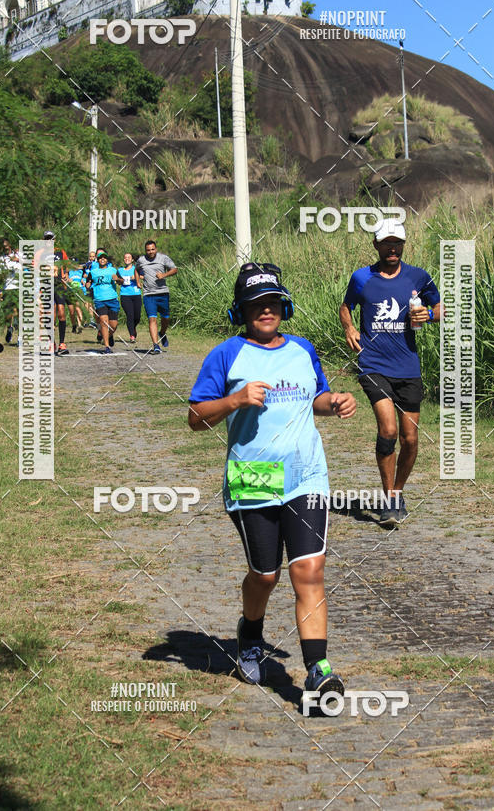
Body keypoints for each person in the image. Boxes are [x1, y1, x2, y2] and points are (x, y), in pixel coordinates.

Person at [188, 262, 356, 704]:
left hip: (306, 476)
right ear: (241, 311)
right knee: (265, 575)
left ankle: (318, 671)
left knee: (309, 570)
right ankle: (250, 634)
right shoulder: (226, 355)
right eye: (255, 304)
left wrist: (334, 402)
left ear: (285, 307)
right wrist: (234, 400)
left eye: (273, 302)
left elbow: (315, 397)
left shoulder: (303, 349)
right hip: (253, 476)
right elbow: (195, 418)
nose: (266, 310)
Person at [339, 219, 442, 527]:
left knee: (410, 438)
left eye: (397, 243)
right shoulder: (362, 278)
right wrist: (349, 327)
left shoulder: (418, 276)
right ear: (376, 245)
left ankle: (397, 493)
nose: (392, 248)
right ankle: (389, 501)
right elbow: (346, 307)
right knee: (388, 431)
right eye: (386, 243)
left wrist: (428, 314)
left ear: (403, 245)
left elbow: (441, 309)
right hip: (373, 365)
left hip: (408, 367)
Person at [135, 240, 177, 355]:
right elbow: (136, 270)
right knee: (152, 319)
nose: (150, 252)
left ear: (156, 249)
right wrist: (138, 281)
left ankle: (162, 333)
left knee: (166, 318)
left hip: (163, 293)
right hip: (148, 294)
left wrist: (164, 275)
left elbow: (174, 269)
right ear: (145, 251)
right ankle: (156, 345)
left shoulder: (163, 258)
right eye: (148, 250)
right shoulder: (141, 260)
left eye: (152, 249)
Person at [44, 229, 74, 355]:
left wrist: (66, 274)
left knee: (61, 313)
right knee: (49, 315)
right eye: (47, 239)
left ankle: (62, 343)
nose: (49, 241)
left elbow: (67, 265)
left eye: (51, 238)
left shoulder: (60, 252)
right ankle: (51, 342)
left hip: (59, 285)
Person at [86, 250, 119, 354]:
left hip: (112, 299)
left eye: (104, 257)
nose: (102, 259)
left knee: (113, 325)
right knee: (104, 322)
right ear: (98, 260)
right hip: (99, 300)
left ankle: (109, 336)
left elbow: (121, 281)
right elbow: (88, 282)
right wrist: (87, 285)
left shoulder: (113, 270)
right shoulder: (93, 272)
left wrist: (117, 279)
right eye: (100, 258)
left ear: (107, 260)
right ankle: (107, 346)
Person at [0, 237, 21, 344]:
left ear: (10, 246)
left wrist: (18, 260)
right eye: (3, 247)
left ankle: (20, 337)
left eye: (6, 247)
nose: (5, 249)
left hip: (19, 287)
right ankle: (9, 328)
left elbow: (31, 263)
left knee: (20, 312)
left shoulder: (19, 254)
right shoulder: (0, 259)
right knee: (8, 314)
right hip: (7, 288)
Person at [117, 252, 142, 343]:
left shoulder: (136, 269)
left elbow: (143, 276)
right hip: (125, 295)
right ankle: (132, 335)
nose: (127, 259)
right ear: (124, 259)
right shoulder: (120, 270)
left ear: (132, 260)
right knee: (130, 315)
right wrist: (119, 280)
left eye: (129, 257)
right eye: (125, 257)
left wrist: (136, 277)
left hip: (136, 294)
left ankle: (133, 327)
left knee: (137, 317)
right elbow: (117, 280)